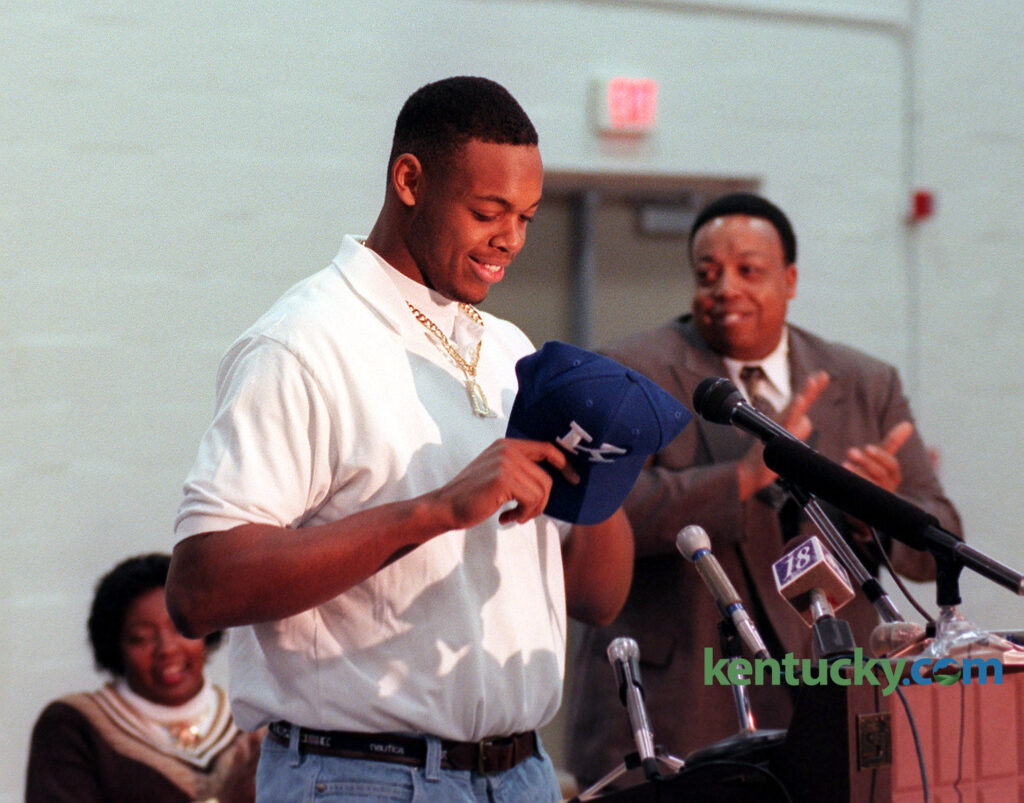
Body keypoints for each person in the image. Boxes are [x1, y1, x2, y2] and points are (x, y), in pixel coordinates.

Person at [165, 76, 634, 803]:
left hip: (523, 774)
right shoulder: (303, 341)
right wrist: (435, 510)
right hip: (362, 774)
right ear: (410, 180)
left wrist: (601, 468)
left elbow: (601, 599)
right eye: (487, 211)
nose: (509, 238)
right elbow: (199, 586)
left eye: (528, 217)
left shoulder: (510, 349)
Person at [565, 192, 963, 786]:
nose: (725, 287)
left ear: (791, 279)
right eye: (707, 273)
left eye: (748, 270)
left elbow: (943, 535)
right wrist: (740, 479)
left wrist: (874, 512)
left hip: (833, 687)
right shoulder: (629, 370)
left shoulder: (865, 382)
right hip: (691, 690)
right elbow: (593, 511)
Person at [26, 553, 261, 803]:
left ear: (205, 627)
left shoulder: (256, 721)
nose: (167, 649)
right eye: (141, 637)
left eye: (180, 628)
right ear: (116, 646)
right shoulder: (73, 727)